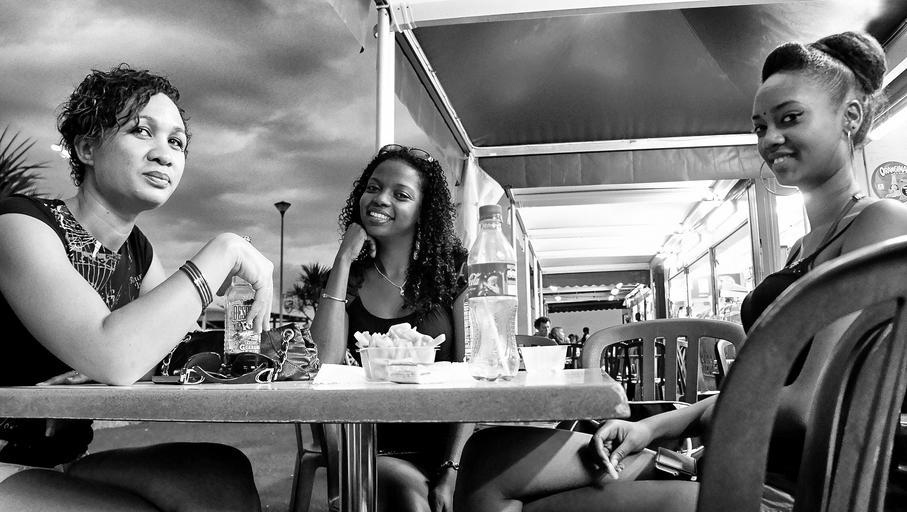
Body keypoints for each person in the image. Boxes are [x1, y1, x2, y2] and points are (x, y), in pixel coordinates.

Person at [454, 31, 907, 512]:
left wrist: (685, 433)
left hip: (794, 489)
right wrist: (652, 427)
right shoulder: (803, 245)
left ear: (850, 117)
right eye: (759, 127)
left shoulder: (881, 222)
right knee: (488, 456)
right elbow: (766, 390)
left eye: (790, 118)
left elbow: (806, 405)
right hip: (732, 460)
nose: (770, 138)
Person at [0, 65, 270, 511]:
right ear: (87, 147)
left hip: (59, 459)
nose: (165, 154)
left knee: (221, 474)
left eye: (177, 142)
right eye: (142, 131)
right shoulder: (20, 224)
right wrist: (224, 251)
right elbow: (115, 353)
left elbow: (174, 356)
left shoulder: (137, 252)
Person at [311, 143, 471, 512]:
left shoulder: (452, 276)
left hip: (451, 449)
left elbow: (471, 376)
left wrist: (452, 469)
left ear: (423, 211)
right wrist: (343, 258)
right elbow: (324, 365)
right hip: (370, 448)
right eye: (373, 187)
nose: (381, 199)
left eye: (401, 194)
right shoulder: (350, 280)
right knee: (411, 497)